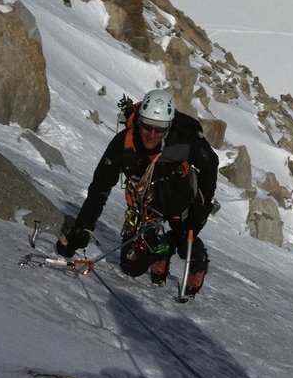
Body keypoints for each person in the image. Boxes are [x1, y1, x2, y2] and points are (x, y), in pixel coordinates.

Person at [56, 89, 218, 296]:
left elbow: (210, 165)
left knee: (186, 241)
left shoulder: (186, 140)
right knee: (131, 266)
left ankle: (197, 260)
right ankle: (163, 249)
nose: (152, 134)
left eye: (160, 129)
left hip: (180, 199)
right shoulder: (124, 143)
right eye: (147, 126)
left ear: (169, 127)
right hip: (145, 205)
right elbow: (100, 187)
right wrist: (83, 228)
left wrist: (200, 211)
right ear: (140, 121)